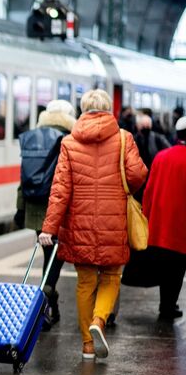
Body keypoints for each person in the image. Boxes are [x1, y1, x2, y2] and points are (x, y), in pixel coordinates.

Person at [39, 89, 147, 360]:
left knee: (85, 282)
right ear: (108, 108)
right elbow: (137, 176)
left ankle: (87, 345)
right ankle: (99, 320)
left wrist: (49, 228)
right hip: (114, 221)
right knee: (111, 276)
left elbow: (60, 190)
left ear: (83, 109)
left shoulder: (69, 142)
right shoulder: (124, 138)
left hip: (79, 223)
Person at [15, 100, 76, 330]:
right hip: (61, 210)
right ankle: (46, 304)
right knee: (55, 261)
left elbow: (23, 178)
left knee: (50, 255)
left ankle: (50, 303)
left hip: (36, 210)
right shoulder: (69, 140)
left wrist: (20, 209)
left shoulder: (33, 137)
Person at [142, 117, 186, 320]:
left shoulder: (161, 156)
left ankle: (166, 304)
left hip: (161, 224)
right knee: (178, 267)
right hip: (181, 225)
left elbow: (149, 191)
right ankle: (169, 305)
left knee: (167, 266)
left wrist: (146, 217)